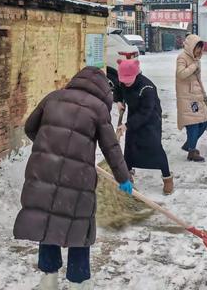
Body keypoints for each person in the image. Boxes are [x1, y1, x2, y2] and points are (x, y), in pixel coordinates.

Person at [13, 67, 133, 290]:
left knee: (47, 220)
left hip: (43, 171)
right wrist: (123, 177)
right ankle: (79, 282)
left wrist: (50, 147)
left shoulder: (53, 97)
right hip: (77, 178)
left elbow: (31, 127)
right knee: (79, 227)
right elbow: (111, 148)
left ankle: (48, 278)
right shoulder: (98, 109)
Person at [114, 59, 174, 195]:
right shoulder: (122, 82)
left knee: (155, 148)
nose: (126, 83)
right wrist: (118, 101)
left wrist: (127, 126)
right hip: (133, 116)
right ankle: (127, 177)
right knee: (130, 148)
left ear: (136, 74)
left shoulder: (147, 87)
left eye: (129, 79)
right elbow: (118, 89)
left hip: (151, 120)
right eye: (124, 80)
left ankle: (167, 178)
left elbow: (146, 112)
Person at [176, 34, 207, 162]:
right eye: (197, 48)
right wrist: (193, 66)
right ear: (191, 46)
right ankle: (191, 150)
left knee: (204, 121)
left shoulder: (196, 60)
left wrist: (204, 94)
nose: (199, 51)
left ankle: (190, 145)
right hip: (187, 97)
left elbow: (198, 79)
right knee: (193, 123)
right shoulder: (182, 58)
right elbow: (180, 74)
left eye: (201, 48)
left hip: (197, 95)